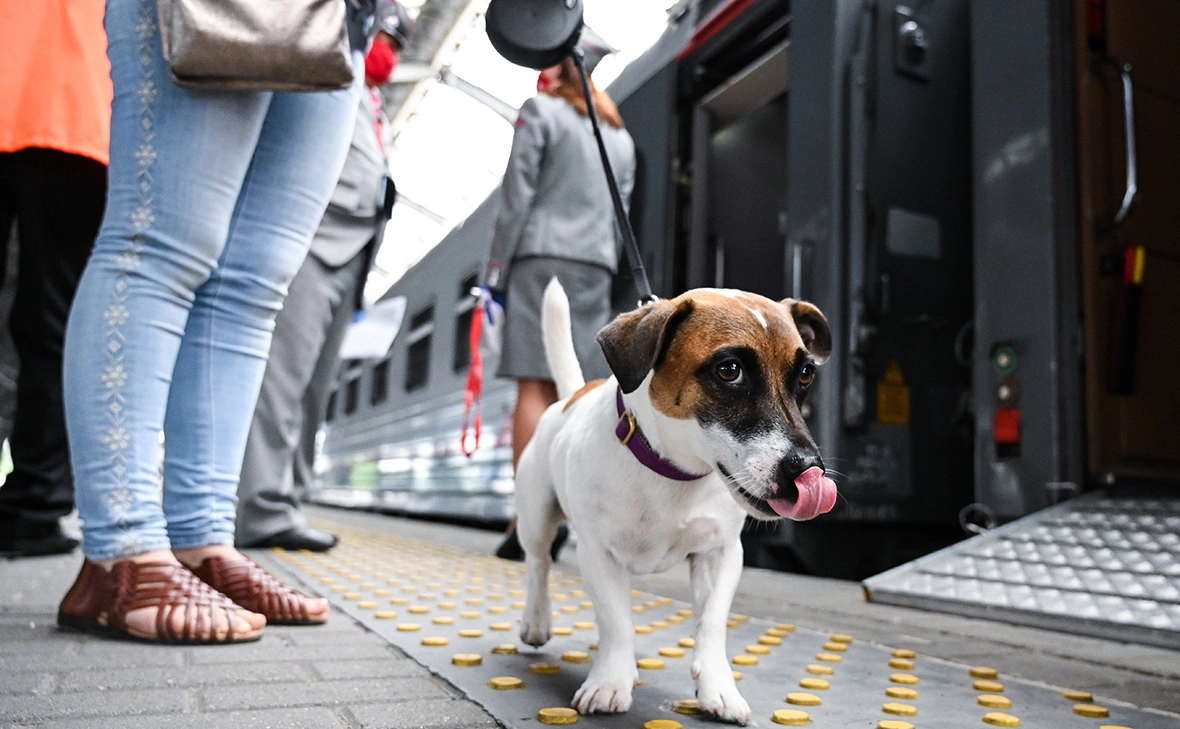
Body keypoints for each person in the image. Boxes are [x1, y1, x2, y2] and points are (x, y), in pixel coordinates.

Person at [56, 0, 376, 644]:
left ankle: (199, 540)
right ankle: (120, 554)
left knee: (253, 285)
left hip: (341, 17)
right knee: (158, 246)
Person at [236, 0, 411, 553]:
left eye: (399, 46)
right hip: (313, 231)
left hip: (354, 248)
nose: (391, 53)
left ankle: (286, 495)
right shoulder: (320, 55)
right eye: (387, 36)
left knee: (312, 385)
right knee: (281, 376)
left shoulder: (373, 100)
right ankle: (258, 506)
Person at [484, 39, 635, 560]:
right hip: (594, 266)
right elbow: (623, 217)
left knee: (534, 382)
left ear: (559, 69)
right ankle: (573, 508)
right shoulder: (619, 137)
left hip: (539, 258)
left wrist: (496, 274)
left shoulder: (539, 112)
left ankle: (525, 519)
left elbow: (517, 195)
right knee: (575, 388)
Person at [0, 2, 112, 558]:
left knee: (51, 321)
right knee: (54, 323)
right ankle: (33, 506)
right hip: (74, 98)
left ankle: (34, 504)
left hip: (61, 94)